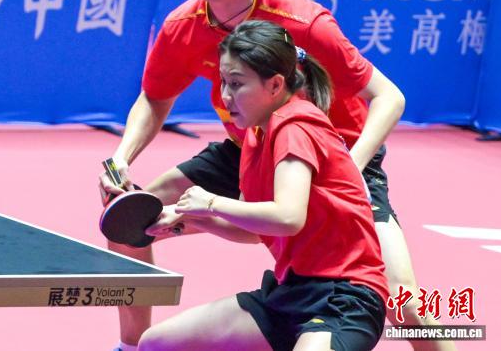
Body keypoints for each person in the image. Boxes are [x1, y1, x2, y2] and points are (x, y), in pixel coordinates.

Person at [99, 0, 455, 351]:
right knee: (133, 216)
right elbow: (154, 98)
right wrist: (121, 159)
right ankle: (132, 345)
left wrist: (350, 168)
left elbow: (389, 97)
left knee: (402, 297)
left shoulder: (304, 22)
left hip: (337, 154)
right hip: (252, 144)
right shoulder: (183, 25)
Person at [138, 19, 387, 351]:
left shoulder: (295, 125)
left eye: (237, 84)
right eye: (223, 82)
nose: (225, 96)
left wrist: (210, 202)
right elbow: (253, 230)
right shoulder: (255, 135)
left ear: (275, 85)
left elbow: (288, 217)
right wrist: (187, 219)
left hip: (345, 298)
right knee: (156, 343)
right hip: (290, 293)